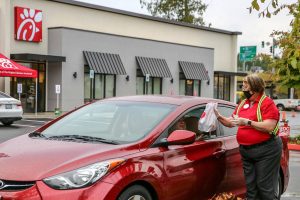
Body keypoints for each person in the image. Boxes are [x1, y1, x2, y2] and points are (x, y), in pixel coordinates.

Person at [214, 74, 282, 200]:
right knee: (251, 188)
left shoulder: (266, 103)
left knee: (264, 187)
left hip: (267, 150)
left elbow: (270, 126)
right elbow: (231, 122)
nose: (243, 86)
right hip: (246, 151)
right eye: (243, 83)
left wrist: (248, 122)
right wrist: (218, 117)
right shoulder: (243, 103)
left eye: (246, 84)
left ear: (255, 87)